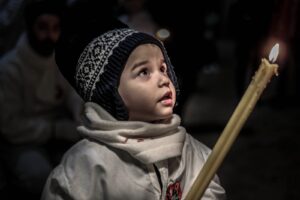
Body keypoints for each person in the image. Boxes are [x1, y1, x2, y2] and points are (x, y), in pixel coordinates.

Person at [41, 2, 226, 199]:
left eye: (163, 68)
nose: (164, 79)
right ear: (110, 92)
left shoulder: (188, 148)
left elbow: (209, 187)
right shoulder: (87, 165)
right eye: (144, 72)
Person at [0, 0, 83, 198]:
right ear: (30, 27)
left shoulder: (61, 57)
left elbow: (73, 94)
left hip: (59, 130)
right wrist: (56, 129)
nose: (50, 35)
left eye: (56, 28)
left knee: (81, 167)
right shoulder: (9, 68)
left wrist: (82, 116)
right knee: (39, 177)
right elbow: (9, 125)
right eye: (43, 27)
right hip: (22, 139)